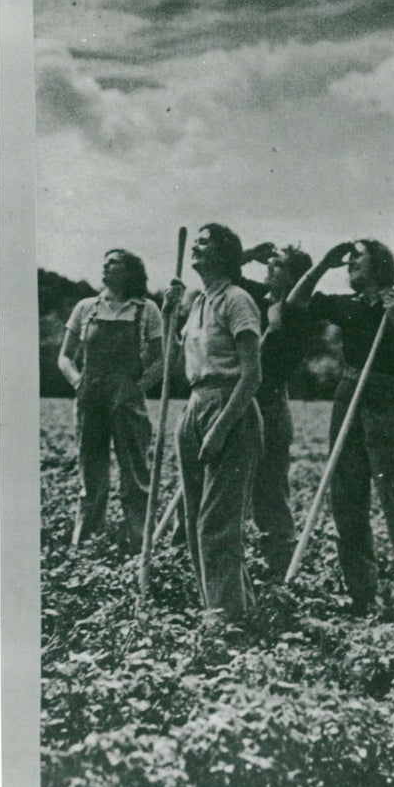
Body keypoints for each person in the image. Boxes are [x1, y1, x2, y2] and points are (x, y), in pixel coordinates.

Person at [289, 238, 394, 616]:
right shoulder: (349, 306)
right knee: (346, 499)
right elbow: (295, 303)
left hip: (383, 399)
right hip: (347, 397)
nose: (350, 264)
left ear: (379, 266)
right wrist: (324, 262)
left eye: (358, 258)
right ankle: (361, 595)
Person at [165, 224, 263, 627]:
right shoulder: (198, 302)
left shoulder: (237, 301)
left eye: (205, 243)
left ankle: (225, 623)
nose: (197, 249)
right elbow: (177, 360)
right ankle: (233, 609)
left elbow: (252, 375)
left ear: (224, 255)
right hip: (195, 404)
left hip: (229, 407)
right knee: (194, 522)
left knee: (216, 525)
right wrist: (170, 315)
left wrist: (221, 428)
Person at [58, 249, 163, 552]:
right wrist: (78, 382)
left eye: (114, 262)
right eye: (105, 262)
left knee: (135, 475)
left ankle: (140, 544)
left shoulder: (146, 310)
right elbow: (65, 357)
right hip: (91, 399)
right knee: (91, 475)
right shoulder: (86, 308)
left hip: (128, 401)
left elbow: (160, 360)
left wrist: (138, 387)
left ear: (130, 271)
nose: (106, 265)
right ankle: (87, 542)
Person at [238, 242, 314, 579]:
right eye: (269, 263)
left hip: (268, 404)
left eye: (279, 265)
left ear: (295, 277)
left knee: (269, 492)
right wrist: (246, 255)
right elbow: (223, 276)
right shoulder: (254, 296)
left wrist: (272, 323)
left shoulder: (297, 314)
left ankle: (278, 569)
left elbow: (267, 361)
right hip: (237, 398)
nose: (269, 268)